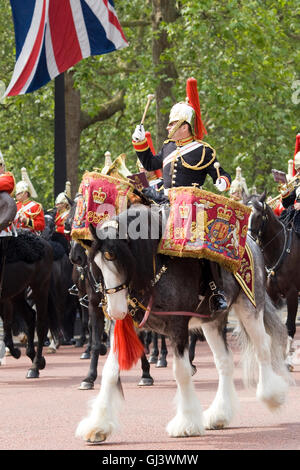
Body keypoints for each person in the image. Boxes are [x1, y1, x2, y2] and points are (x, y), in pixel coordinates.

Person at [132, 77, 231, 314]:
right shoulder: (167, 147)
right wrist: (139, 142)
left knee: (203, 247)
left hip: (192, 208)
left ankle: (214, 290)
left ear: (184, 126)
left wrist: (221, 182)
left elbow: (222, 174)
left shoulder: (203, 149)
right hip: (164, 203)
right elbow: (149, 163)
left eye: (171, 124)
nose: (167, 128)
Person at [280, 150, 300, 235]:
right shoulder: (297, 182)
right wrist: (285, 193)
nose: (298, 172)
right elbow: (287, 204)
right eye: (298, 169)